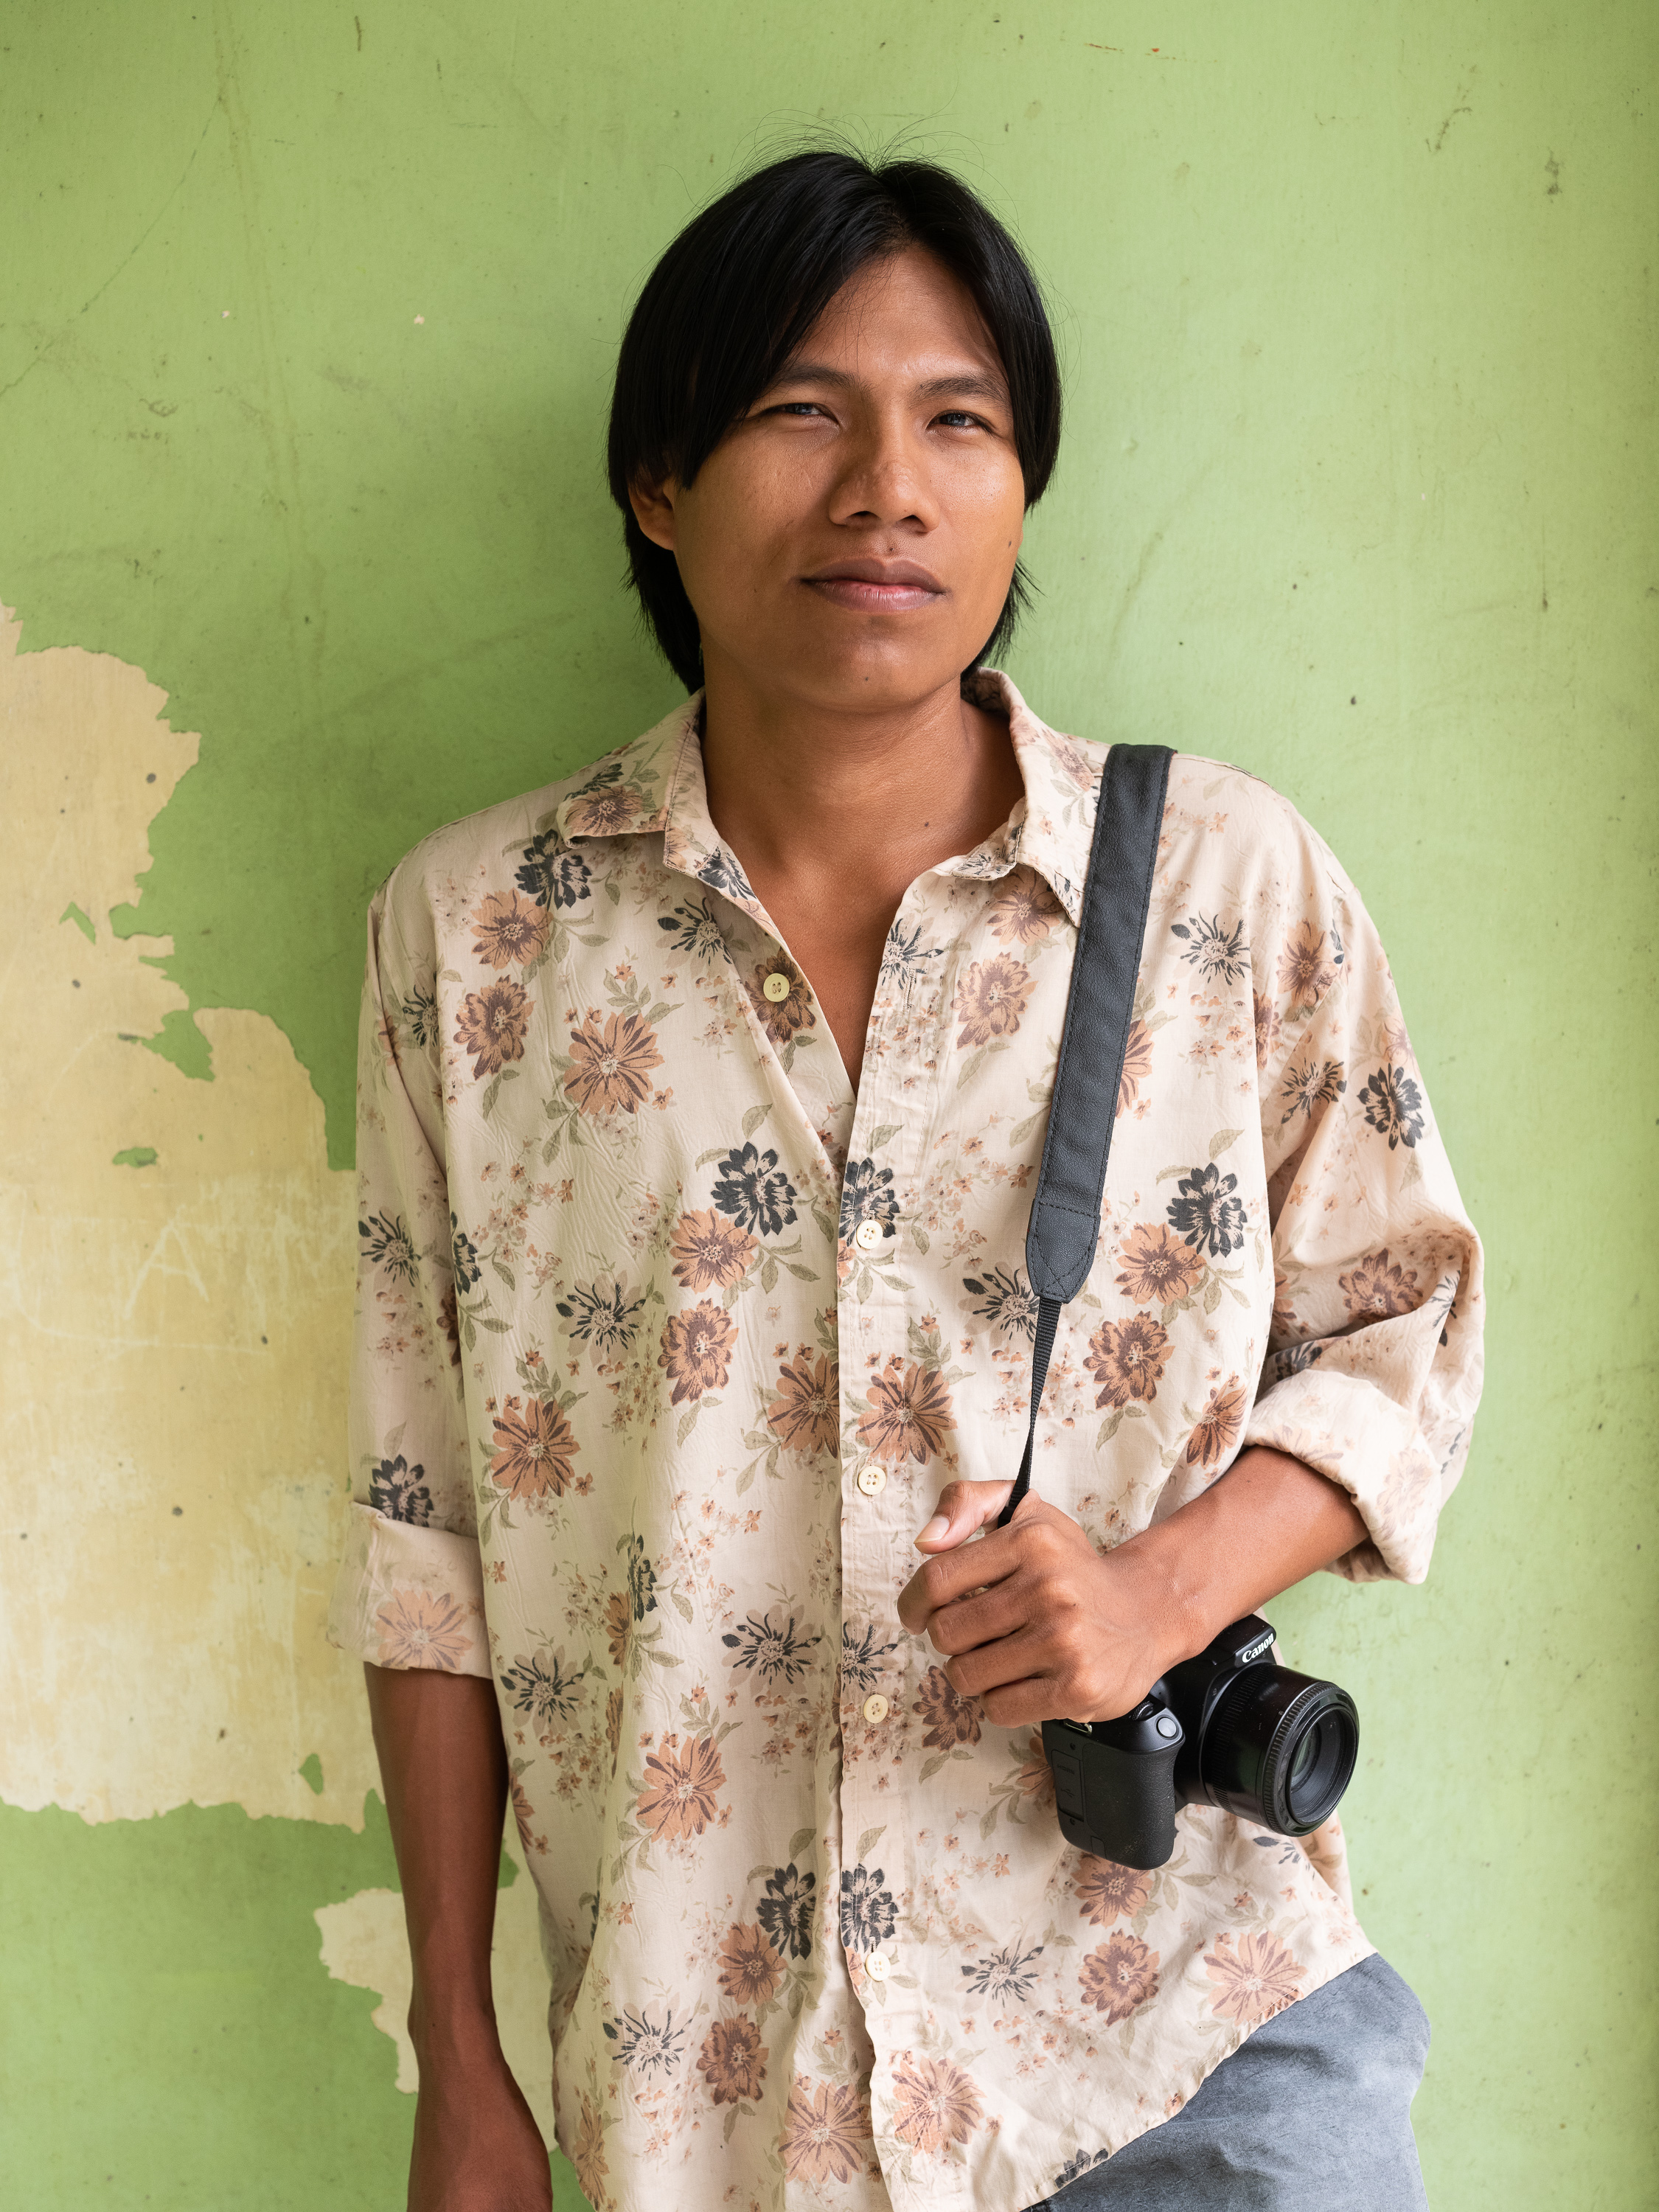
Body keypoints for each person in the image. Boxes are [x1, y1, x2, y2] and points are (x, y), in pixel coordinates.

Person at [328, 148, 1483, 2212]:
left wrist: (1156, 1593)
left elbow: (1406, 1327)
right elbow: (429, 1535)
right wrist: (459, 2054)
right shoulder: (477, 937)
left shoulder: (1222, 884)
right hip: (715, 2099)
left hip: (1178, 2042)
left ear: (1020, 489)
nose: (885, 485)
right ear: (656, 484)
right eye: (799, 411)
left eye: (959, 420)